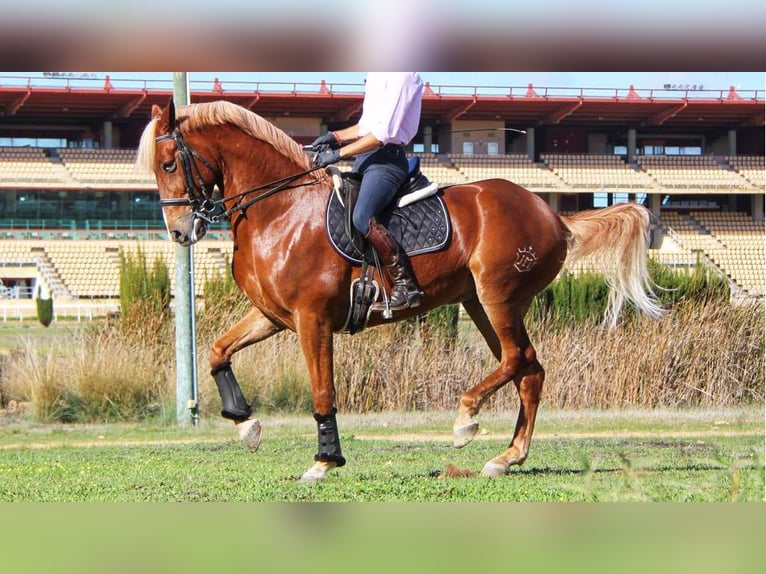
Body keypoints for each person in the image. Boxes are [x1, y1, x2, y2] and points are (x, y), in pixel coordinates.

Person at [312, 72, 424, 312]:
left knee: (362, 216)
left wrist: (339, 154)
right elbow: (366, 126)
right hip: (365, 160)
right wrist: (334, 137)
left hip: (386, 162)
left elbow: (382, 134)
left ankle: (405, 285)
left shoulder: (402, 75)